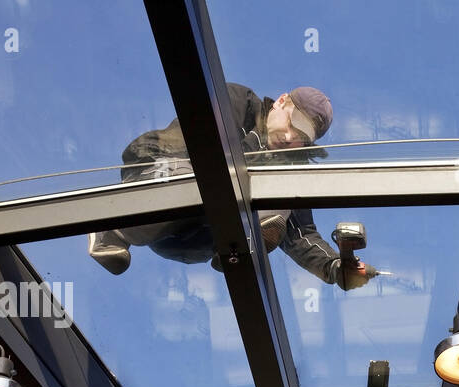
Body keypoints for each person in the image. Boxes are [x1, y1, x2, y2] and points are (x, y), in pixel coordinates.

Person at [88, 84, 374, 290]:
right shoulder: (238, 102)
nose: (289, 137)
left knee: (280, 196)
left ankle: (239, 248)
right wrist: (255, 149)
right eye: (292, 124)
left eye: (301, 136)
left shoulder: (289, 166)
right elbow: (196, 149)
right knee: (198, 174)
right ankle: (111, 230)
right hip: (163, 179)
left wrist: (336, 268)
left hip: (197, 236)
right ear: (282, 101)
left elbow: (302, 236)